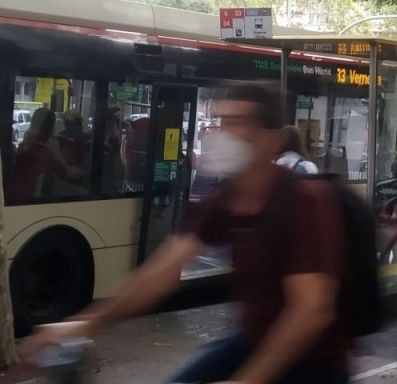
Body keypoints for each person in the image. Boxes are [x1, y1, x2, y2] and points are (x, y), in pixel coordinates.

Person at [22, 86, 352, 384]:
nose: (222, 133)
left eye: (239, 122)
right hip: (253, 339)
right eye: (221, 121)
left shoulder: (304, 201)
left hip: (312, 361)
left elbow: (310, 310)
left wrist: (248, 381)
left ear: (272, 139)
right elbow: (161, 272)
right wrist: (85, 324)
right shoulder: (225, 199)